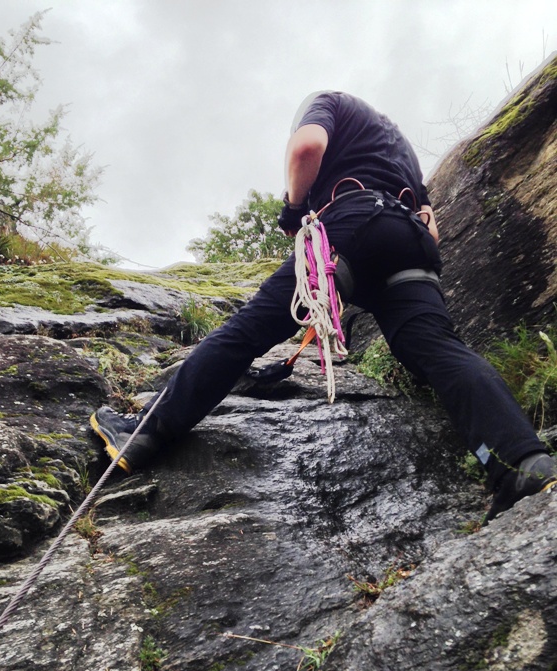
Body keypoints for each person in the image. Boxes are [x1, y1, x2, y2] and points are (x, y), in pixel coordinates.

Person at [91, 91, 556, 523]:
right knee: (438, 348)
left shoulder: (327, 102)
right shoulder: (402, 153)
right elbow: (431, 230)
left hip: (350, 224)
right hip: (410, 243)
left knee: (250, 329)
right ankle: (521, 463)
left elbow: (306, 149)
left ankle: (146, 433)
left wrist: (294, 211)